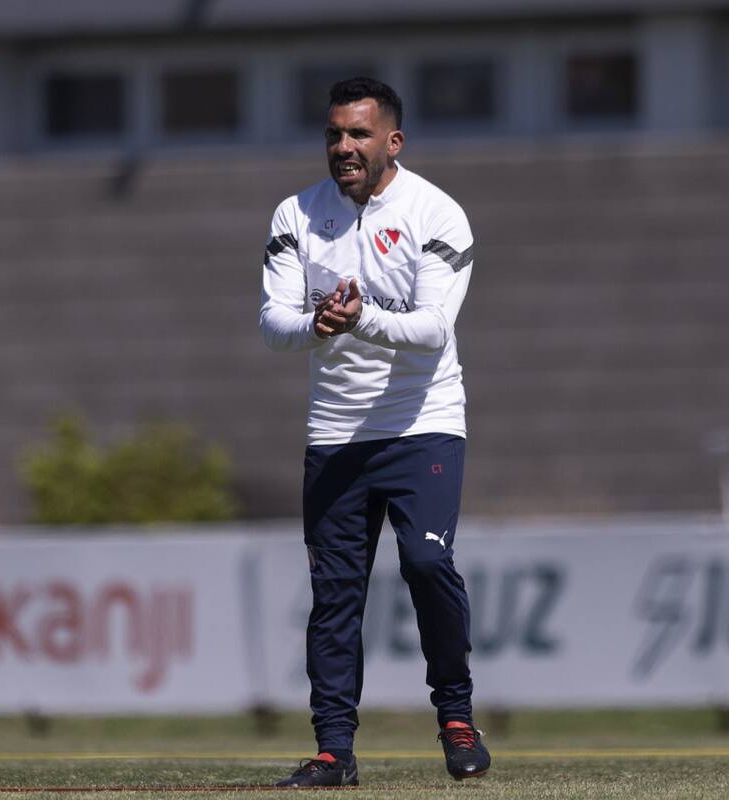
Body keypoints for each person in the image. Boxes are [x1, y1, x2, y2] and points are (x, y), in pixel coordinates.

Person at [260, 77, 490, 787]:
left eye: (358, 134)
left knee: (425, 564)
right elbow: (272, 323)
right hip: (334, 435)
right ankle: (335, 751)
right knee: (334, 596)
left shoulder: (436, 214)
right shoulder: (296, 213)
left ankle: (455, 715)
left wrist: (359, 319)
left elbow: (430, 331)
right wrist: (312, 323)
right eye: (333, 134)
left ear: (393, 142)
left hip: (422, 425)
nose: (343, 147)